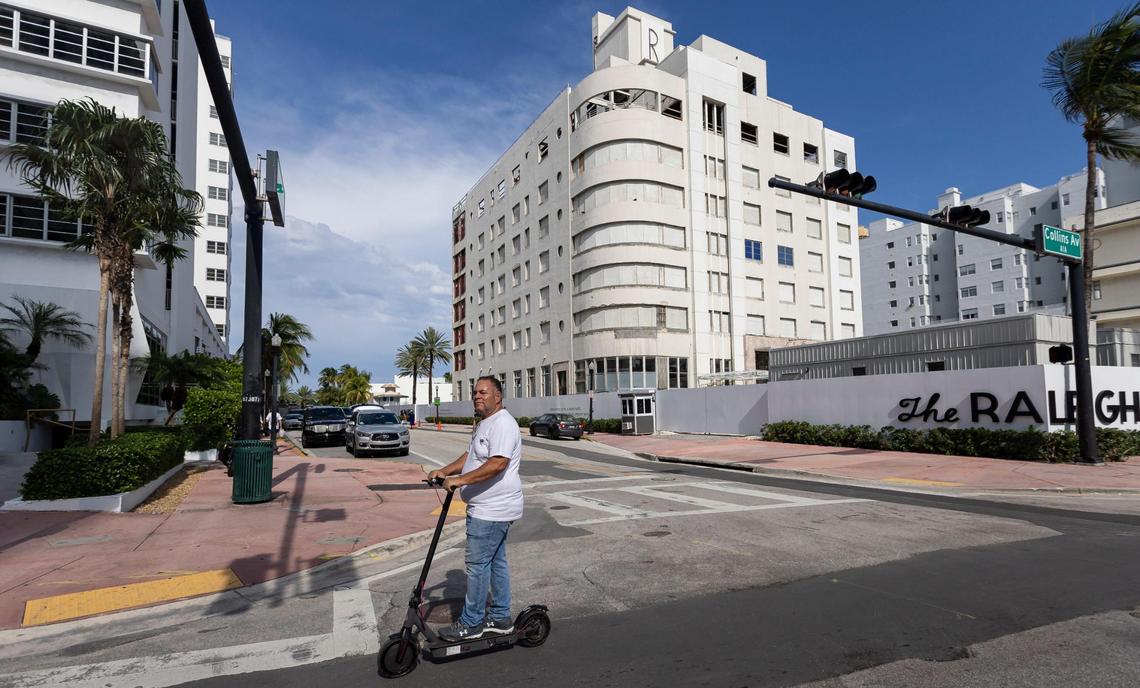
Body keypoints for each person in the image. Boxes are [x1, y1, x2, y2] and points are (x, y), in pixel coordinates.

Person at [428, 376, 523, 641]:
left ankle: (471, 623)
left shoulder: (503, 423)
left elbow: (497, 464)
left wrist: (459, 480)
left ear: (498, 396)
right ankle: (501, 616)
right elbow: (471, 457)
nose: (477, 396)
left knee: (477, 564)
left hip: (493, 509)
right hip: (488, 508)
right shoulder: (485, 424)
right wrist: (445, 471)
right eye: (474, 393)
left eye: (483, 392)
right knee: (495, 562)